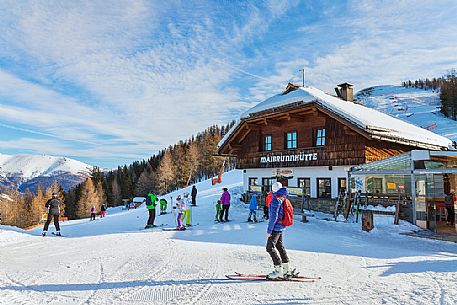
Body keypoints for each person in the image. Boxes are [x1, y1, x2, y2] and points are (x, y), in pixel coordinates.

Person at [266, 182, 291, 279]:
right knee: (279, 246)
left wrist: (269, 231)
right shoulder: (283, 198)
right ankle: (287, 268)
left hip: (276, 227)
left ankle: (278, 270)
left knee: (269, 247)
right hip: (281, 226)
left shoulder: (276, 200)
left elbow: (273, 217)